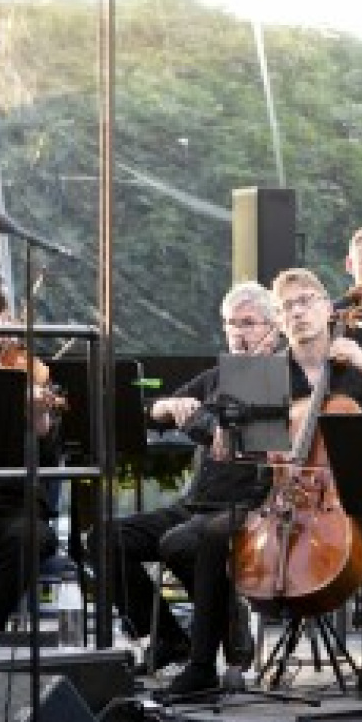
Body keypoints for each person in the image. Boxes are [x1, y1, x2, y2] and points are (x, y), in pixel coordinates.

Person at [160, 267, 362, 700]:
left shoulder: (354, 370)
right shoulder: (263, 372)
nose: (298, 312)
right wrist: (221, 427)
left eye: (305, 301)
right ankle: (202, 665)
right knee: (211, 536)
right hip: (271, 496)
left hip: (340, 498)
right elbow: (211, 418)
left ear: (327, 309)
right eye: (287, 307)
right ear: (280, 322)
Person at [101, 281, 279, 673]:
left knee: (181, 543)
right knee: (105, 538)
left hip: (250, 507)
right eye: (231, 323)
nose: (238, 332)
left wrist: (201, 419)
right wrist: (169, 405)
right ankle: (169, 638)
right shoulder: (215, 377)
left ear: (272, 328)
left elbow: (236, 434)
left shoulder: (278, 378)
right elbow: (150, 411)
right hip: (197, 505)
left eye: (248, 323)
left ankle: (228, 627)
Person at [0, 276, 60, 632]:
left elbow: (50, 457)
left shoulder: (28, 370)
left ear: (5, 319)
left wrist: (39, 417)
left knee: (31, 537)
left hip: (11, 505)